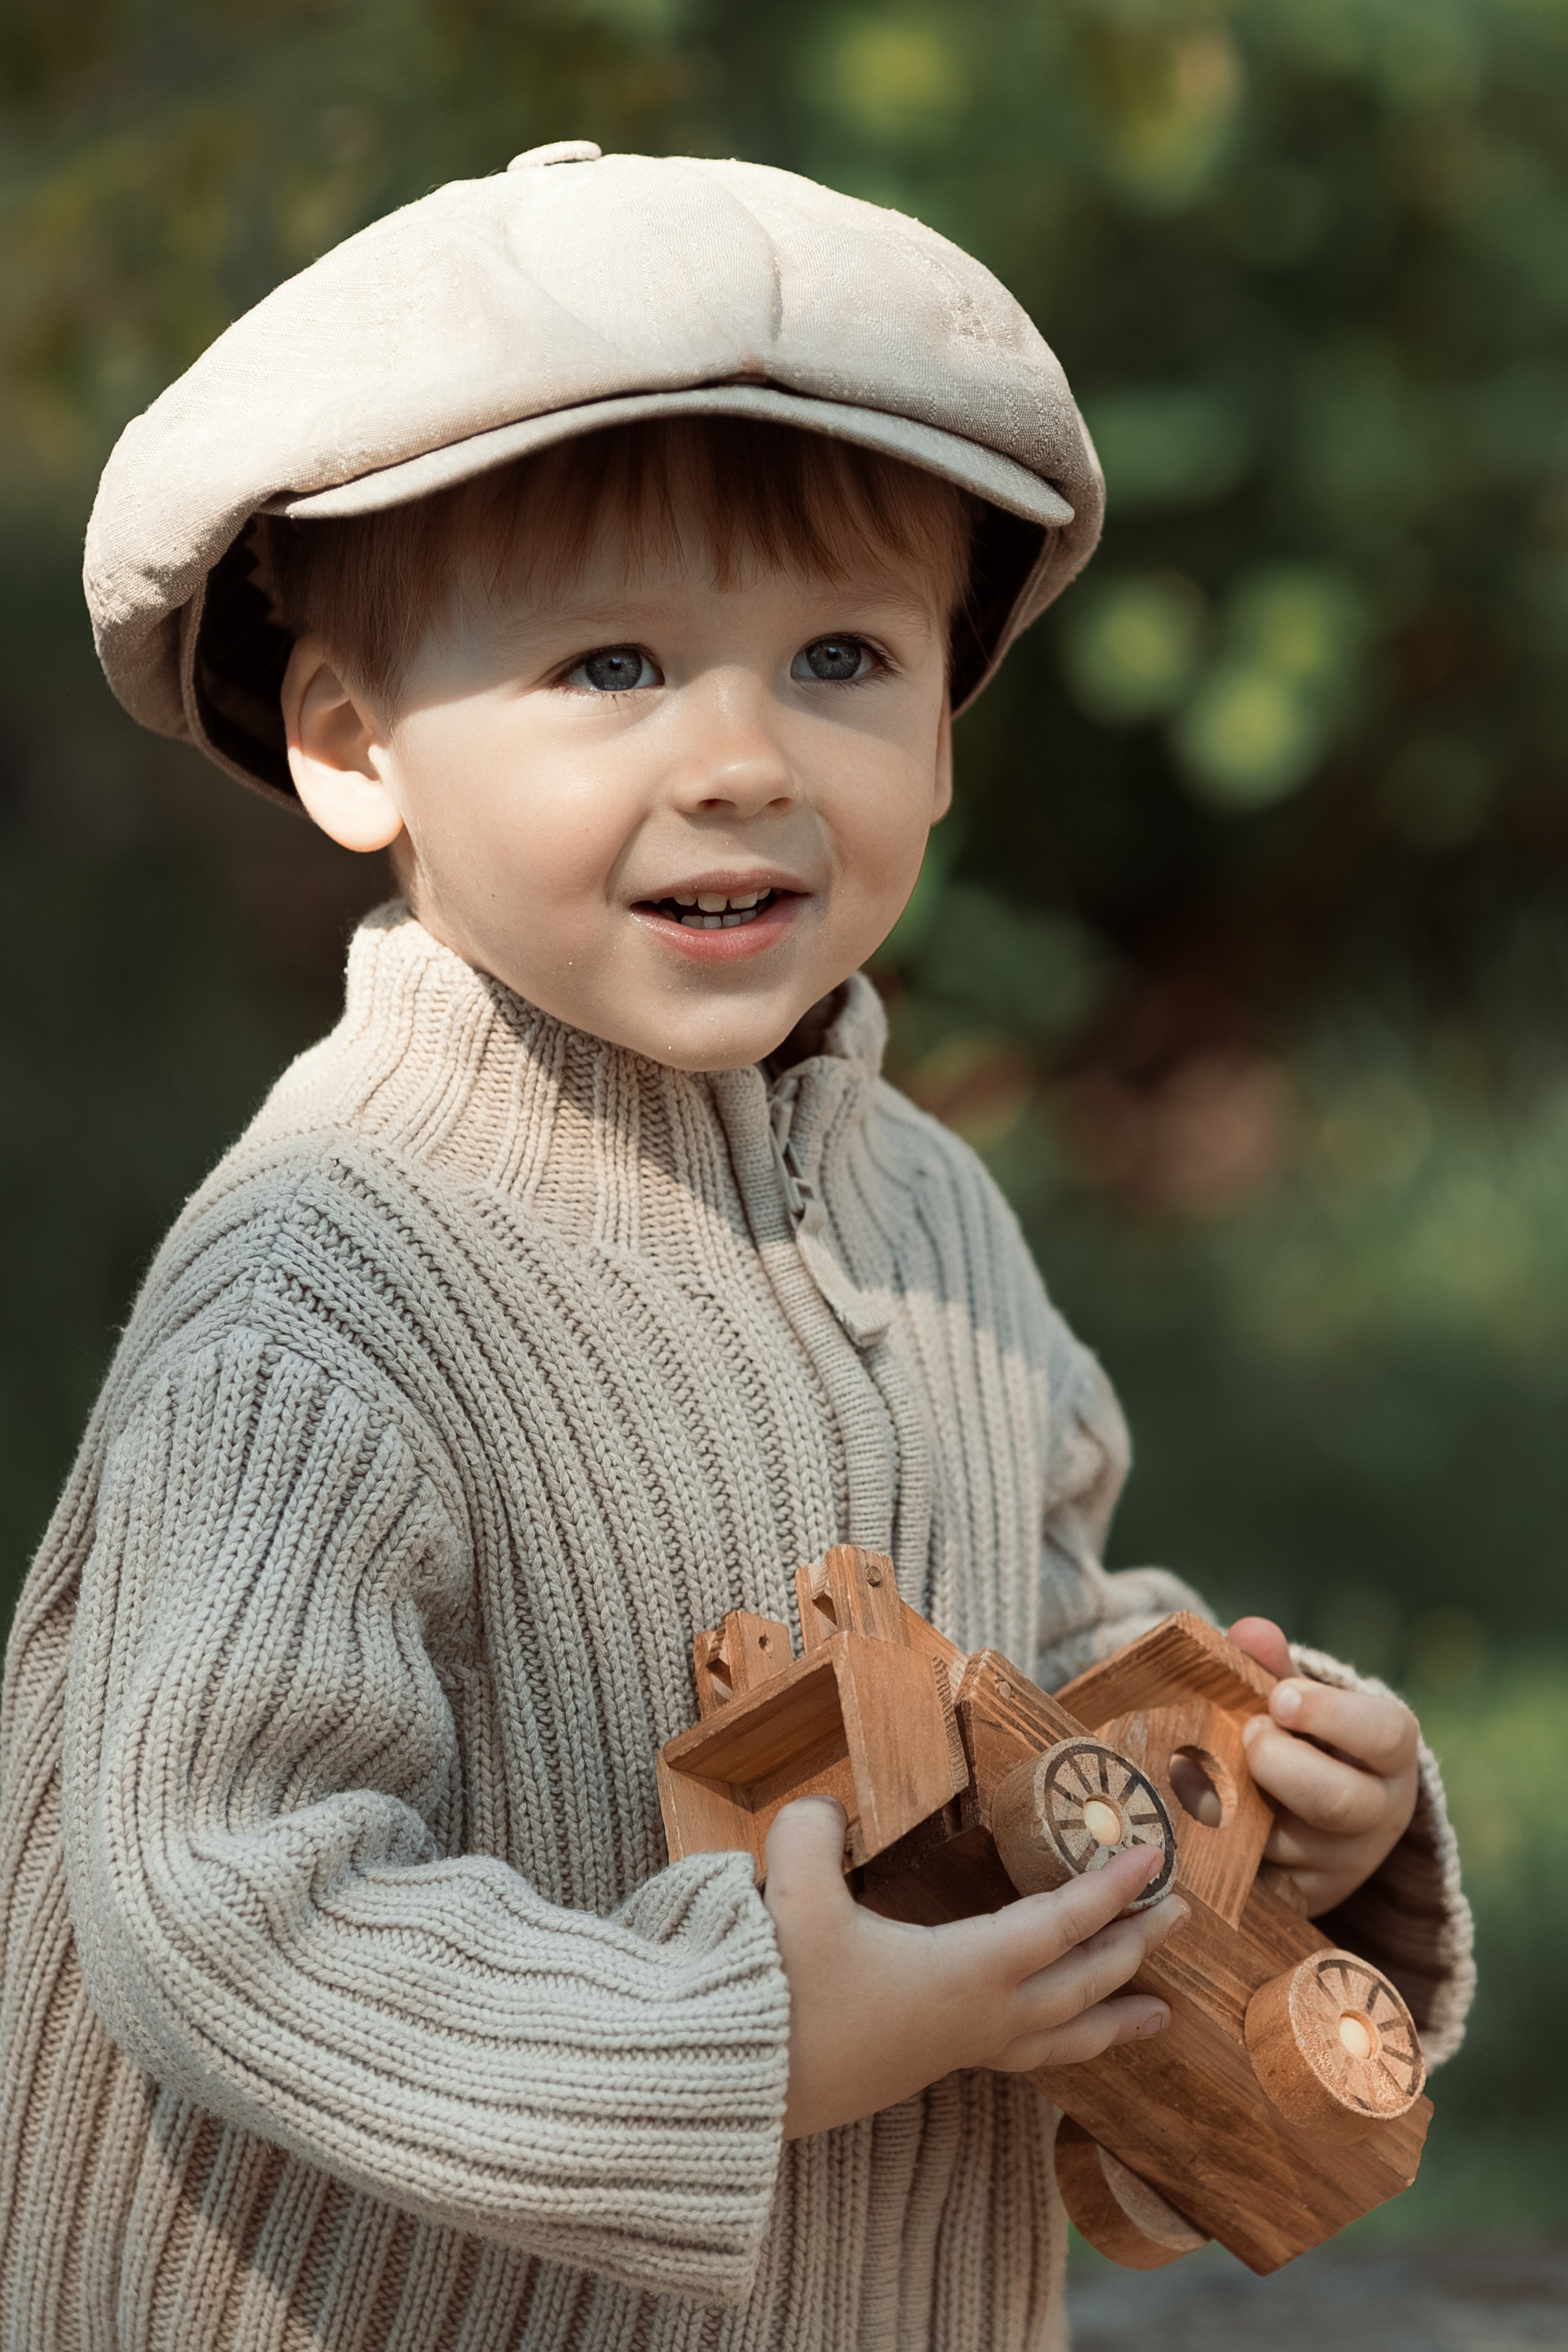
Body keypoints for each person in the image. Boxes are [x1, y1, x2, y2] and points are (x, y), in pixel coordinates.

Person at [0, 144, 1471, 2351]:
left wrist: (1256, 1805)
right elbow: (226, 1898)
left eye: (843, 659)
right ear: (350, 747)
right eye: (613, 662)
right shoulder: (332, 1280)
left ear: (946, 734)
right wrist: (749, 2040)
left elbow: (1024, 1675)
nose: (745, 757)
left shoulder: (937, 1218)